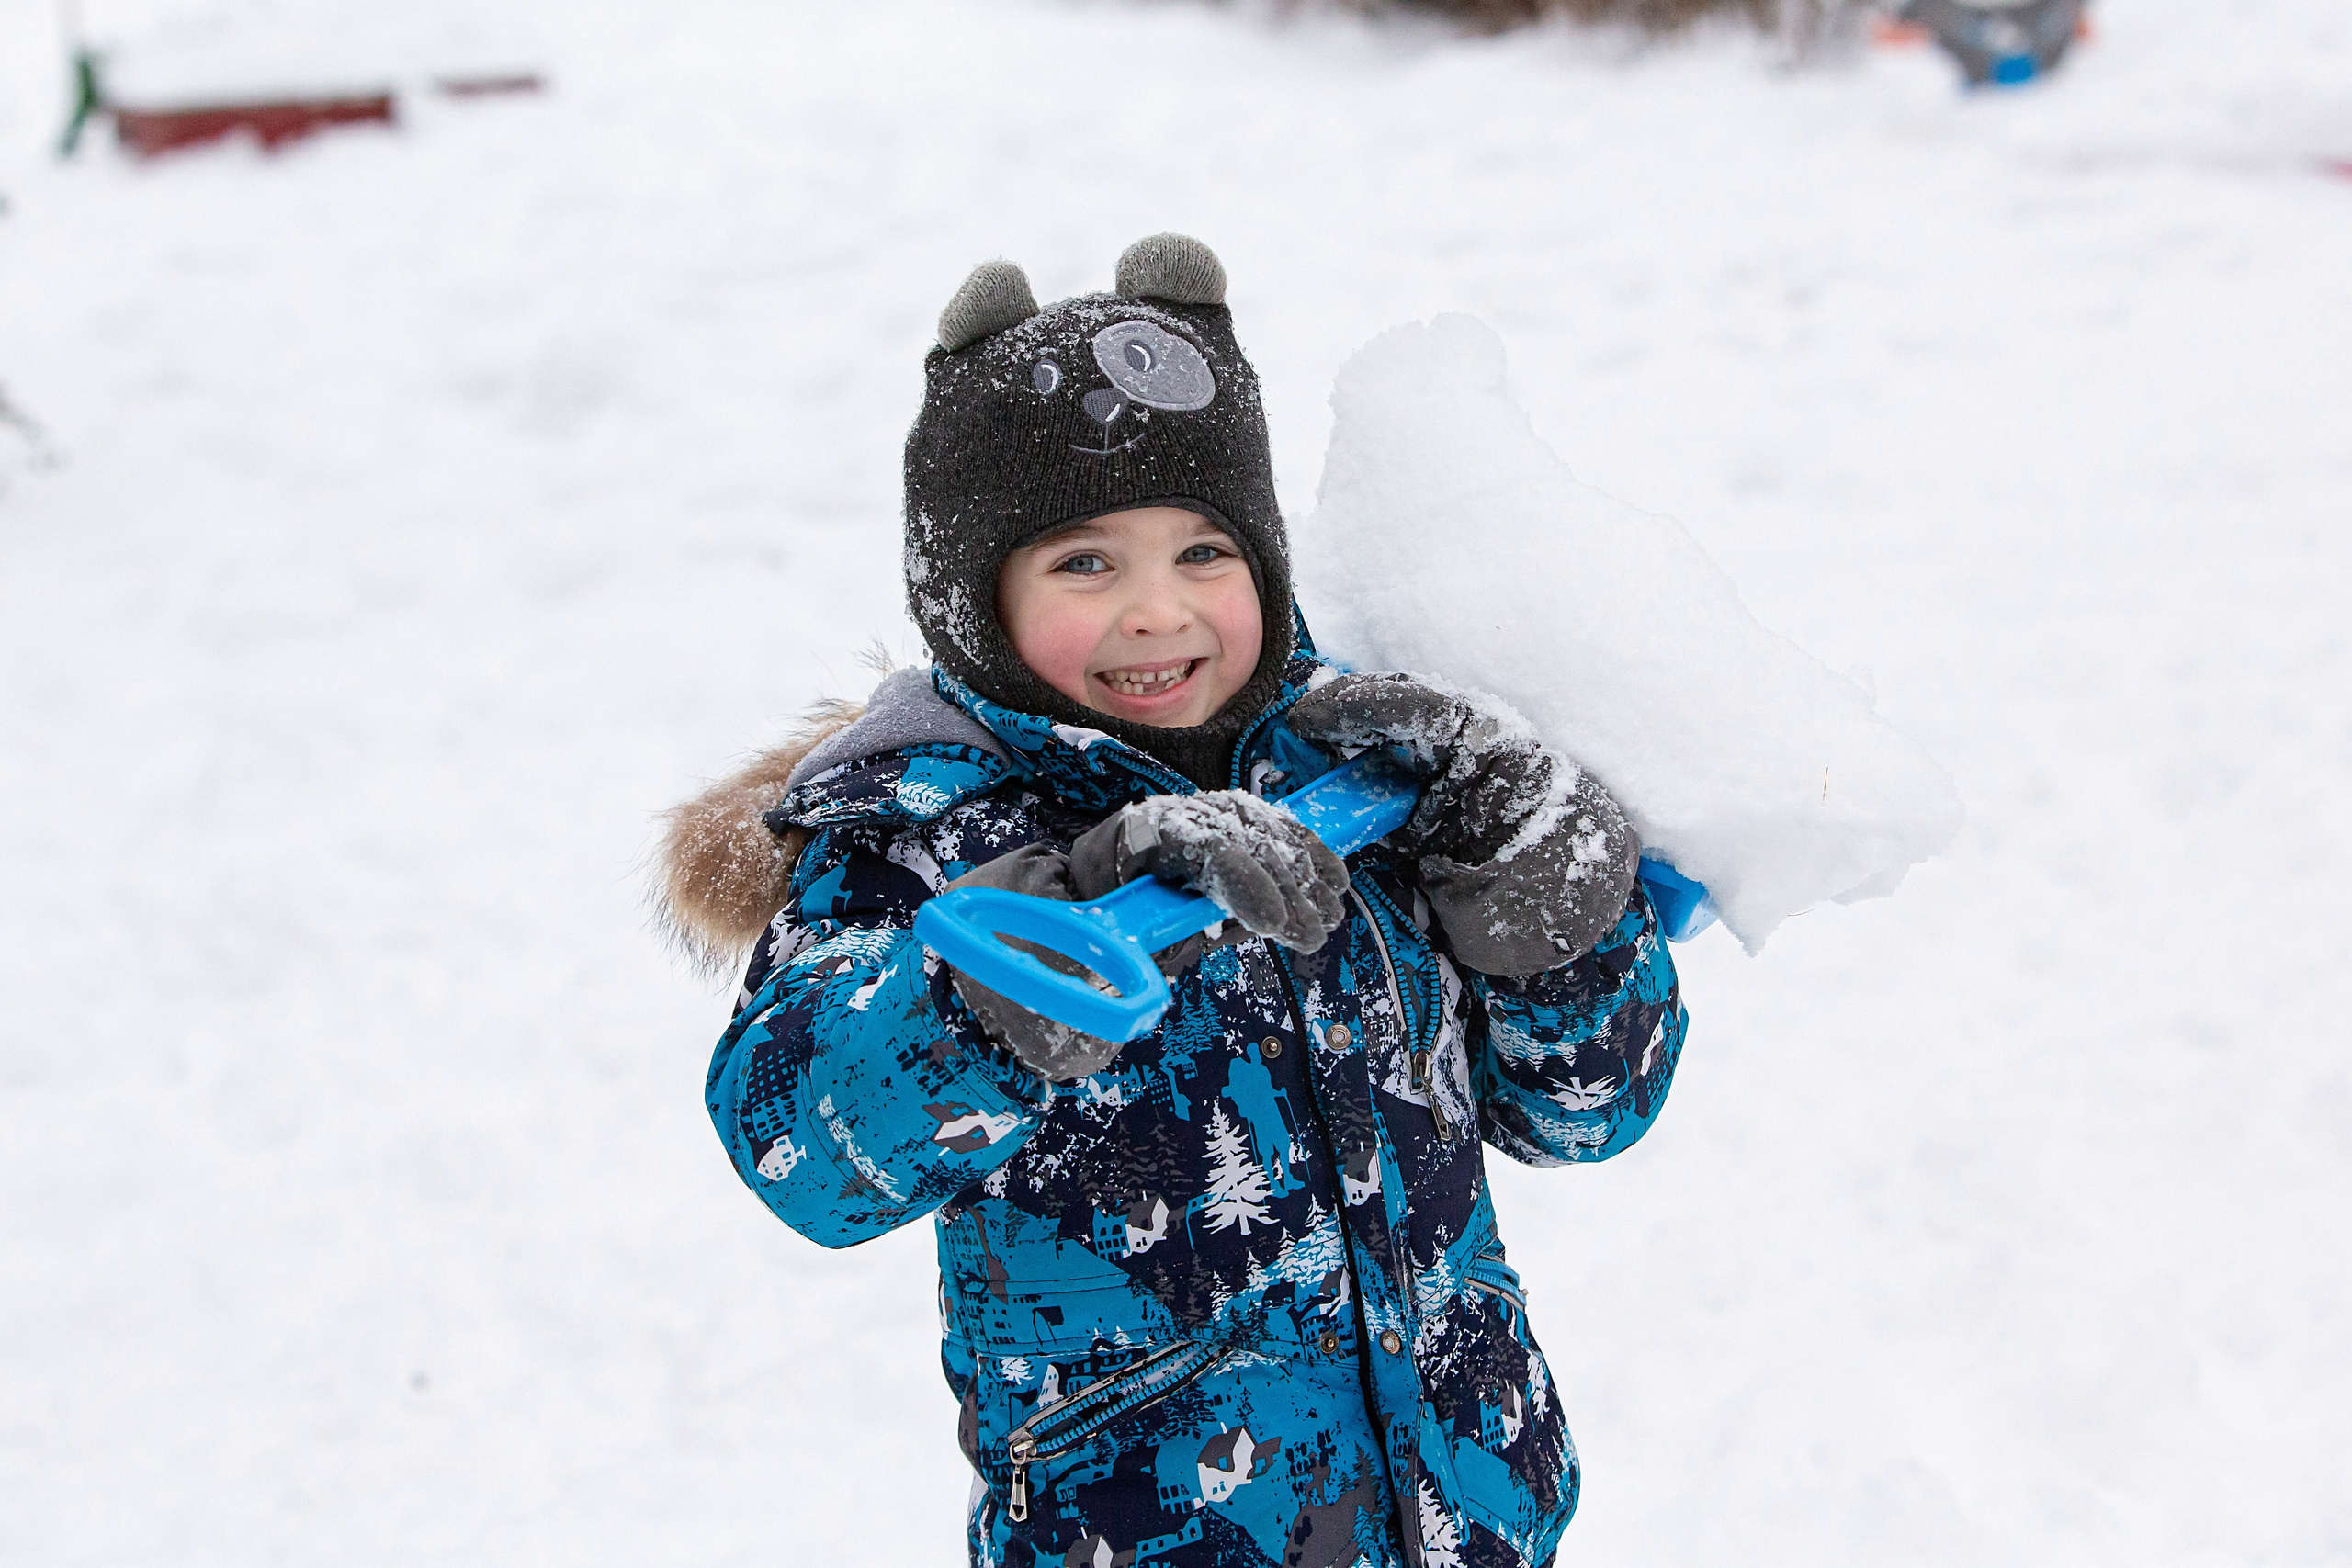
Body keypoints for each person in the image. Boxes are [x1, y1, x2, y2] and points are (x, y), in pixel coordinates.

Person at [657, 234, 1688, 1568]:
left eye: (1205, 551)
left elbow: (1585, 1114)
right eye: (1084, 564)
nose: (1158, 610)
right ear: (973, 604)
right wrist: (1056, 928)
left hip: (1472, 1511)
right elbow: (804, 1151)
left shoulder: (1366, 778)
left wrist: (1543, 883)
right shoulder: (924, 840)